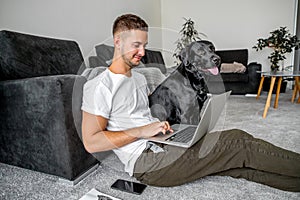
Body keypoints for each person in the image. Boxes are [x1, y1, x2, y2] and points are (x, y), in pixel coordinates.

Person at [81, 13, 300, 192]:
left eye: (144, 45)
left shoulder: (137, 77)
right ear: (117, 42)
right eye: (136, 45)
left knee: (237, 165)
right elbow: (92, 142)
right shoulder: (100, 86)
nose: (143, 52)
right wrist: (142, 131)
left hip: (164, 142)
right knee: (239, 141)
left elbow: (136, 114)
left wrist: (166, 129)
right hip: (147, 163)